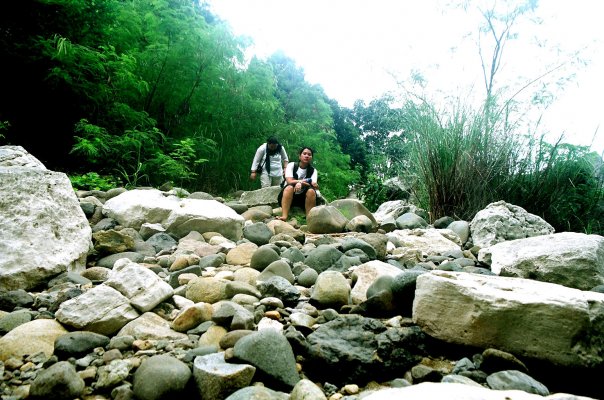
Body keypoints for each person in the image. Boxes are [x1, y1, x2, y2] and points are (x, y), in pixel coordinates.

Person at [277, 146, 319, 221]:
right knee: (289, 187)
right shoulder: (291, 165)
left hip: (303, 199)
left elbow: (312, 184)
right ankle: (284, 216)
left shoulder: (313, 171)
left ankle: (309, 219)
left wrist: (300, 183)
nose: (307, 156)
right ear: (300, 156)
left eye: (309, 154)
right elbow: (289, 180)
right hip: (288, 195)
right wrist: (300, 182)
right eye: (304, 153)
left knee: (311, 191)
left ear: (311, 158)